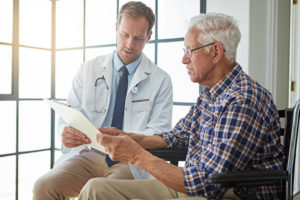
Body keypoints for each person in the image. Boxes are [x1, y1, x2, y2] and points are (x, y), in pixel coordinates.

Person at [77, 13, 286, 200]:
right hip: (193, 189)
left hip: (227, 194)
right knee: (96, 189)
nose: (184, 59)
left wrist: (136, 155)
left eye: (190, 51)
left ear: (215, 52)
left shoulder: (242, 100)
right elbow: (176, 137)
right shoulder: (210, 96)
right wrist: (129, 137)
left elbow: (208, 185)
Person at [33, 1, 173, 199]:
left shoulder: (161, 80)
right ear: (116, 28)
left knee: (98, 190)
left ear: (149, 37)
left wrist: (126, 139)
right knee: (44, 186)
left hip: (130, 161)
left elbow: (160, 132)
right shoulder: (88, 69)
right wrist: (68, 134)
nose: (129, 44)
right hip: (88, 155)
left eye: (138, 38)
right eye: (125, 35)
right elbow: (70, 115)